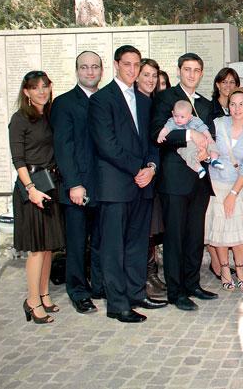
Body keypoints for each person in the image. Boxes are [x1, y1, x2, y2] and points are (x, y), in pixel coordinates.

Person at [89, 46, 164, 323]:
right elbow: (107, 145)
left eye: (136, 65)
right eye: (128, 64)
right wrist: (138, 169)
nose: (133, 70)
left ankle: (136, 293)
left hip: (143, 185)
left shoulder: (145, 101)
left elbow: (153, 142)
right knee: (114, 247)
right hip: (116, 186)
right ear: (116, 65)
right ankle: (117, 304)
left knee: (136, 244)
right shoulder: (102, 100)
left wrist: (151, 168)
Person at [151, 53, 219, 311]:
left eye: (197, 70)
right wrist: (189, 134)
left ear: (202, 74)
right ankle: (175, 291)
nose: (192, 74)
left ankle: (192, 284)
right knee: (175, 237)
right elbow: (158, 133)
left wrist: (206, 151)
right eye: (187, 69)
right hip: (174, 180)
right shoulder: (165, 98)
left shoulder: (204, 102)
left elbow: (209, 132)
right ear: (179, 71)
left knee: (194, 235)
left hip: (199, 180)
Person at [10, 70, 65, 324]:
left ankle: (43, 294)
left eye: (45, 86)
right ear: (26, 92)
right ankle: (31, 301)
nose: (41, 91)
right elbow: (18, 160)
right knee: (36, 249)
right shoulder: (20, 119)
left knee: (48, 248)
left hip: (50, 184)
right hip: (32, 186)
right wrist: (31, 189)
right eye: (35, 87)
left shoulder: (50, 116)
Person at [50, 52, 103, 315]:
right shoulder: (64, 104)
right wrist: (73, 184)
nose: (90, 72)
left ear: (102, 71)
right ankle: (78, 291)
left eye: (95, 67)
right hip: (77, 187)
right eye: (85, 67)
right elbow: (64, 148)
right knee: (77, 242)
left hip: (104, 186)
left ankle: (97, 286)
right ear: (77, 71)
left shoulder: (106, 100)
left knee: (99, 241)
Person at [205, 88, 243, 292]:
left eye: (241, 104)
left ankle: (240, 269)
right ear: (228, 106)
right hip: (215, 185)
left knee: (238, 234)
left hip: (237, 186)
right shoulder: (218, 125)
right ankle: (225, 270)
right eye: (233, 104)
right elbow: (207, 150)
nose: (237, 108)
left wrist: (233, 194)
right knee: (219, 232)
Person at [204, 67, 241, 281]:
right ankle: (217, 262)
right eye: (224, 82)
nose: (228, 86)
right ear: (217, 84)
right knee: (215, 219)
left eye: (232, 82)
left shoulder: (238, 107)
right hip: (216, 171)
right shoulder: (211, 109)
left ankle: (227, 263)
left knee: (229, 220)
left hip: (234, 173)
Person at [136, 58, 166, 296]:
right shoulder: (133, 102)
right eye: (146, 75)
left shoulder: (154, 104)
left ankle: (151, 274)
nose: (150, 80)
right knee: (142, 229)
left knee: (151, 229)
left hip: (154, 174)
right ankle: (143, 278)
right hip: (136, 176)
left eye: (154, 76)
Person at [157, 100, 220, 177]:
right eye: (176, 116)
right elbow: (165, 129)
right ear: (173, 113)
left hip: (200, 143)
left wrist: (209, 137)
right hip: (186, 145)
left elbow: (204, 129)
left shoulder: (195, 120)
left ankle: (214, 159)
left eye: (182, 117)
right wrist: (161, 135)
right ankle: (199, 168)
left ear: (190, 116)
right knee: (188, 154)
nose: (178, 119)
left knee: (211, 143)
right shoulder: (172, 122)